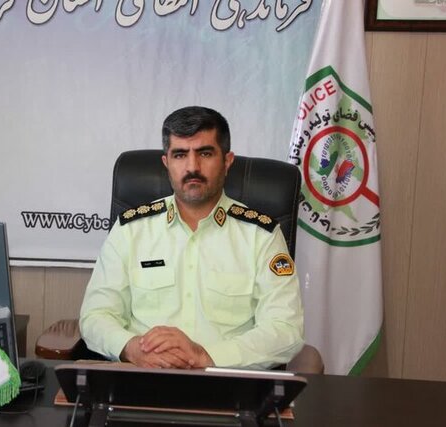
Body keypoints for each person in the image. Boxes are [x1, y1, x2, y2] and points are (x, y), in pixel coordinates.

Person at [79, 106, 304, 369]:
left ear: (227, 161)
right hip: (143, 375)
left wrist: (205, 356)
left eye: (205, 153)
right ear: (166, 163)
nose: (192, 167)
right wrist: (131, 348)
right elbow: (96, 315)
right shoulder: (131, 230)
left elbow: (285, 328)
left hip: (225, 381)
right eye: (180, 154)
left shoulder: (261, 236)